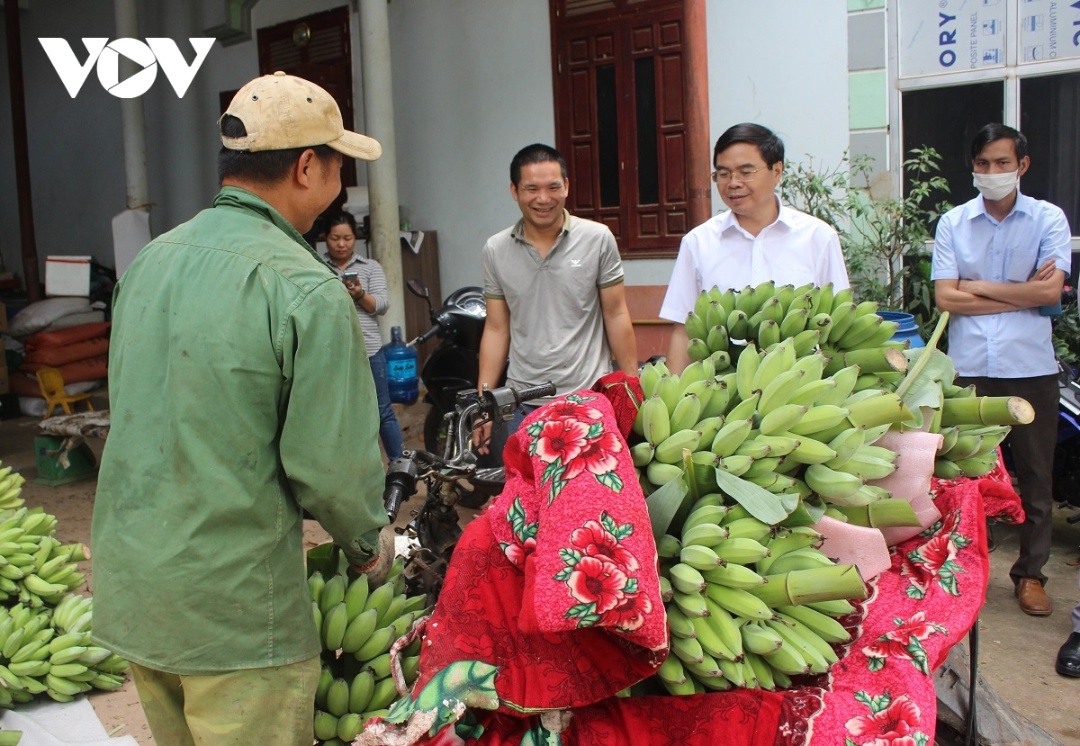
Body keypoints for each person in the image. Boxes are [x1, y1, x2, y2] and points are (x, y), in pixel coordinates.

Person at [90, 72, 394, 745]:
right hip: (233, 613)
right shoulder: (307, 290)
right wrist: (370, 546)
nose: (341, 184)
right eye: (339, 164)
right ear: (308, 167)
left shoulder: (149, 263)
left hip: (137, 590)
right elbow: (330, 466)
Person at [932, 123, 1071, 617]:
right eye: (984, 164)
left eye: (1002, 164)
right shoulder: (953, 223)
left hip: (1029, 367)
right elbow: (946, 298)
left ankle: (1030, 576)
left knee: (1034, 477)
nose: (992, 173)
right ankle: (965, 571)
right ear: (972, 168)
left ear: (1022, 166)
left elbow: (1050, 294)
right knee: (964, 475)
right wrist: (1019, 293)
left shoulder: (1047, 219)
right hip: (968, 368)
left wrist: (978, 287)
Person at [474, 143, 637, 450]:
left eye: (552, 187)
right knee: (527, 494)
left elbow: (616, 314)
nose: (543, 198)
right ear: (514, 191)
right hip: (522, 404)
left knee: (586, 496)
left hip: (588, 397)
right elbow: (496, 328)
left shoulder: (597, 239)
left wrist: (630, 387)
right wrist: (484, 403)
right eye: (531, 188)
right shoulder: (496, 250)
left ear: (566, 186)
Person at [659, 122, 849, 373]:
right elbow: (683, 329)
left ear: (777, 171)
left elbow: (840, 321)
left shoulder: (818, 237)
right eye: (723, 174)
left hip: (802, 384)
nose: (733, 183)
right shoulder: (698, 242)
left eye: (746, 172)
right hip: (719, 389)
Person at [324, 211, 405, 460]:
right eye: (335, 238)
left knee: (383, 412)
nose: (341, 244)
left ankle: (399, 466)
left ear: (355, 238)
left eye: (347, 238)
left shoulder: (370, 267)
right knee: (340, 414)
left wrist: (359, 294)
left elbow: (380, 305)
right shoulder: (316, 267)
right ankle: (352, 470)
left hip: (369, 351)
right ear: (325, 238)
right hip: (332, 352)